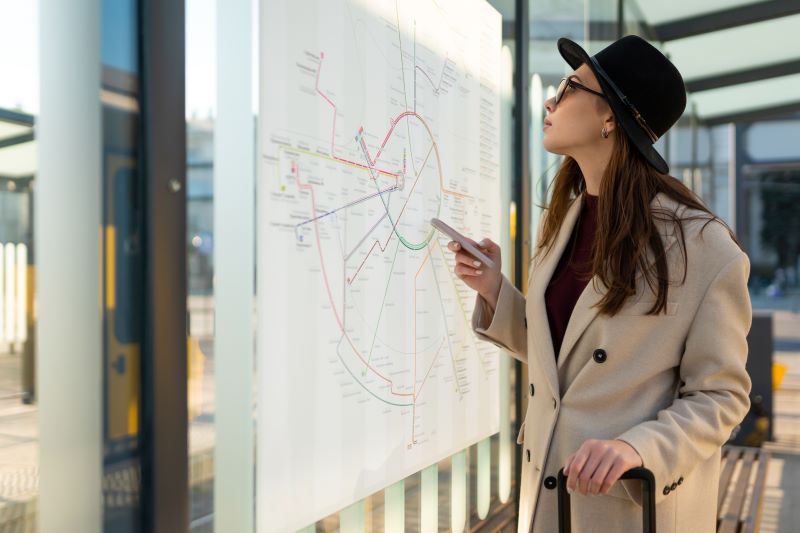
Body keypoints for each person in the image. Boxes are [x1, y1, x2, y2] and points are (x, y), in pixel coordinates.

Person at [447, 35, 752, 532]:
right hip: (550, 493)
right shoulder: (565, 222)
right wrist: (494, 290)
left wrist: (638, 448)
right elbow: (566, 359)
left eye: (570, 87)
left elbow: (721, 396)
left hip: (628, 506)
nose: (551, 100)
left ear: (611, 117)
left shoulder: (703, 247)